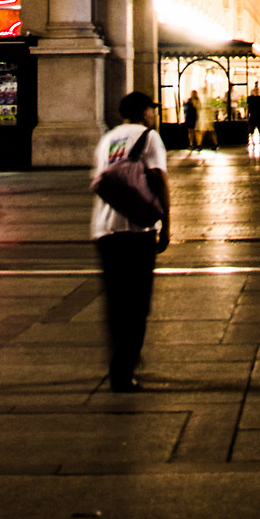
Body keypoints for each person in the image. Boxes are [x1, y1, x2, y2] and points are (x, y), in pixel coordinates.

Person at [90, 90, 171, 392]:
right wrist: (166, 224)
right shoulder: (149, 137)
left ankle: (122, 362)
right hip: (136, 230)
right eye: (152, 109)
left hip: (104, 229)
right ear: (144, 112)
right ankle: (125, 369)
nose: (153, 114)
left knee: (116, 302)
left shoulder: (107, 139)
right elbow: (159, 179)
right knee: (137, 304)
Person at [246, 84, 260, 156]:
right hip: (254, 115)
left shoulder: (259, 98)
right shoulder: (253, 98)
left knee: (258, 128)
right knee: (252, 128)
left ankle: (257, 139)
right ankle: (253, 140)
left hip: (257, 115)